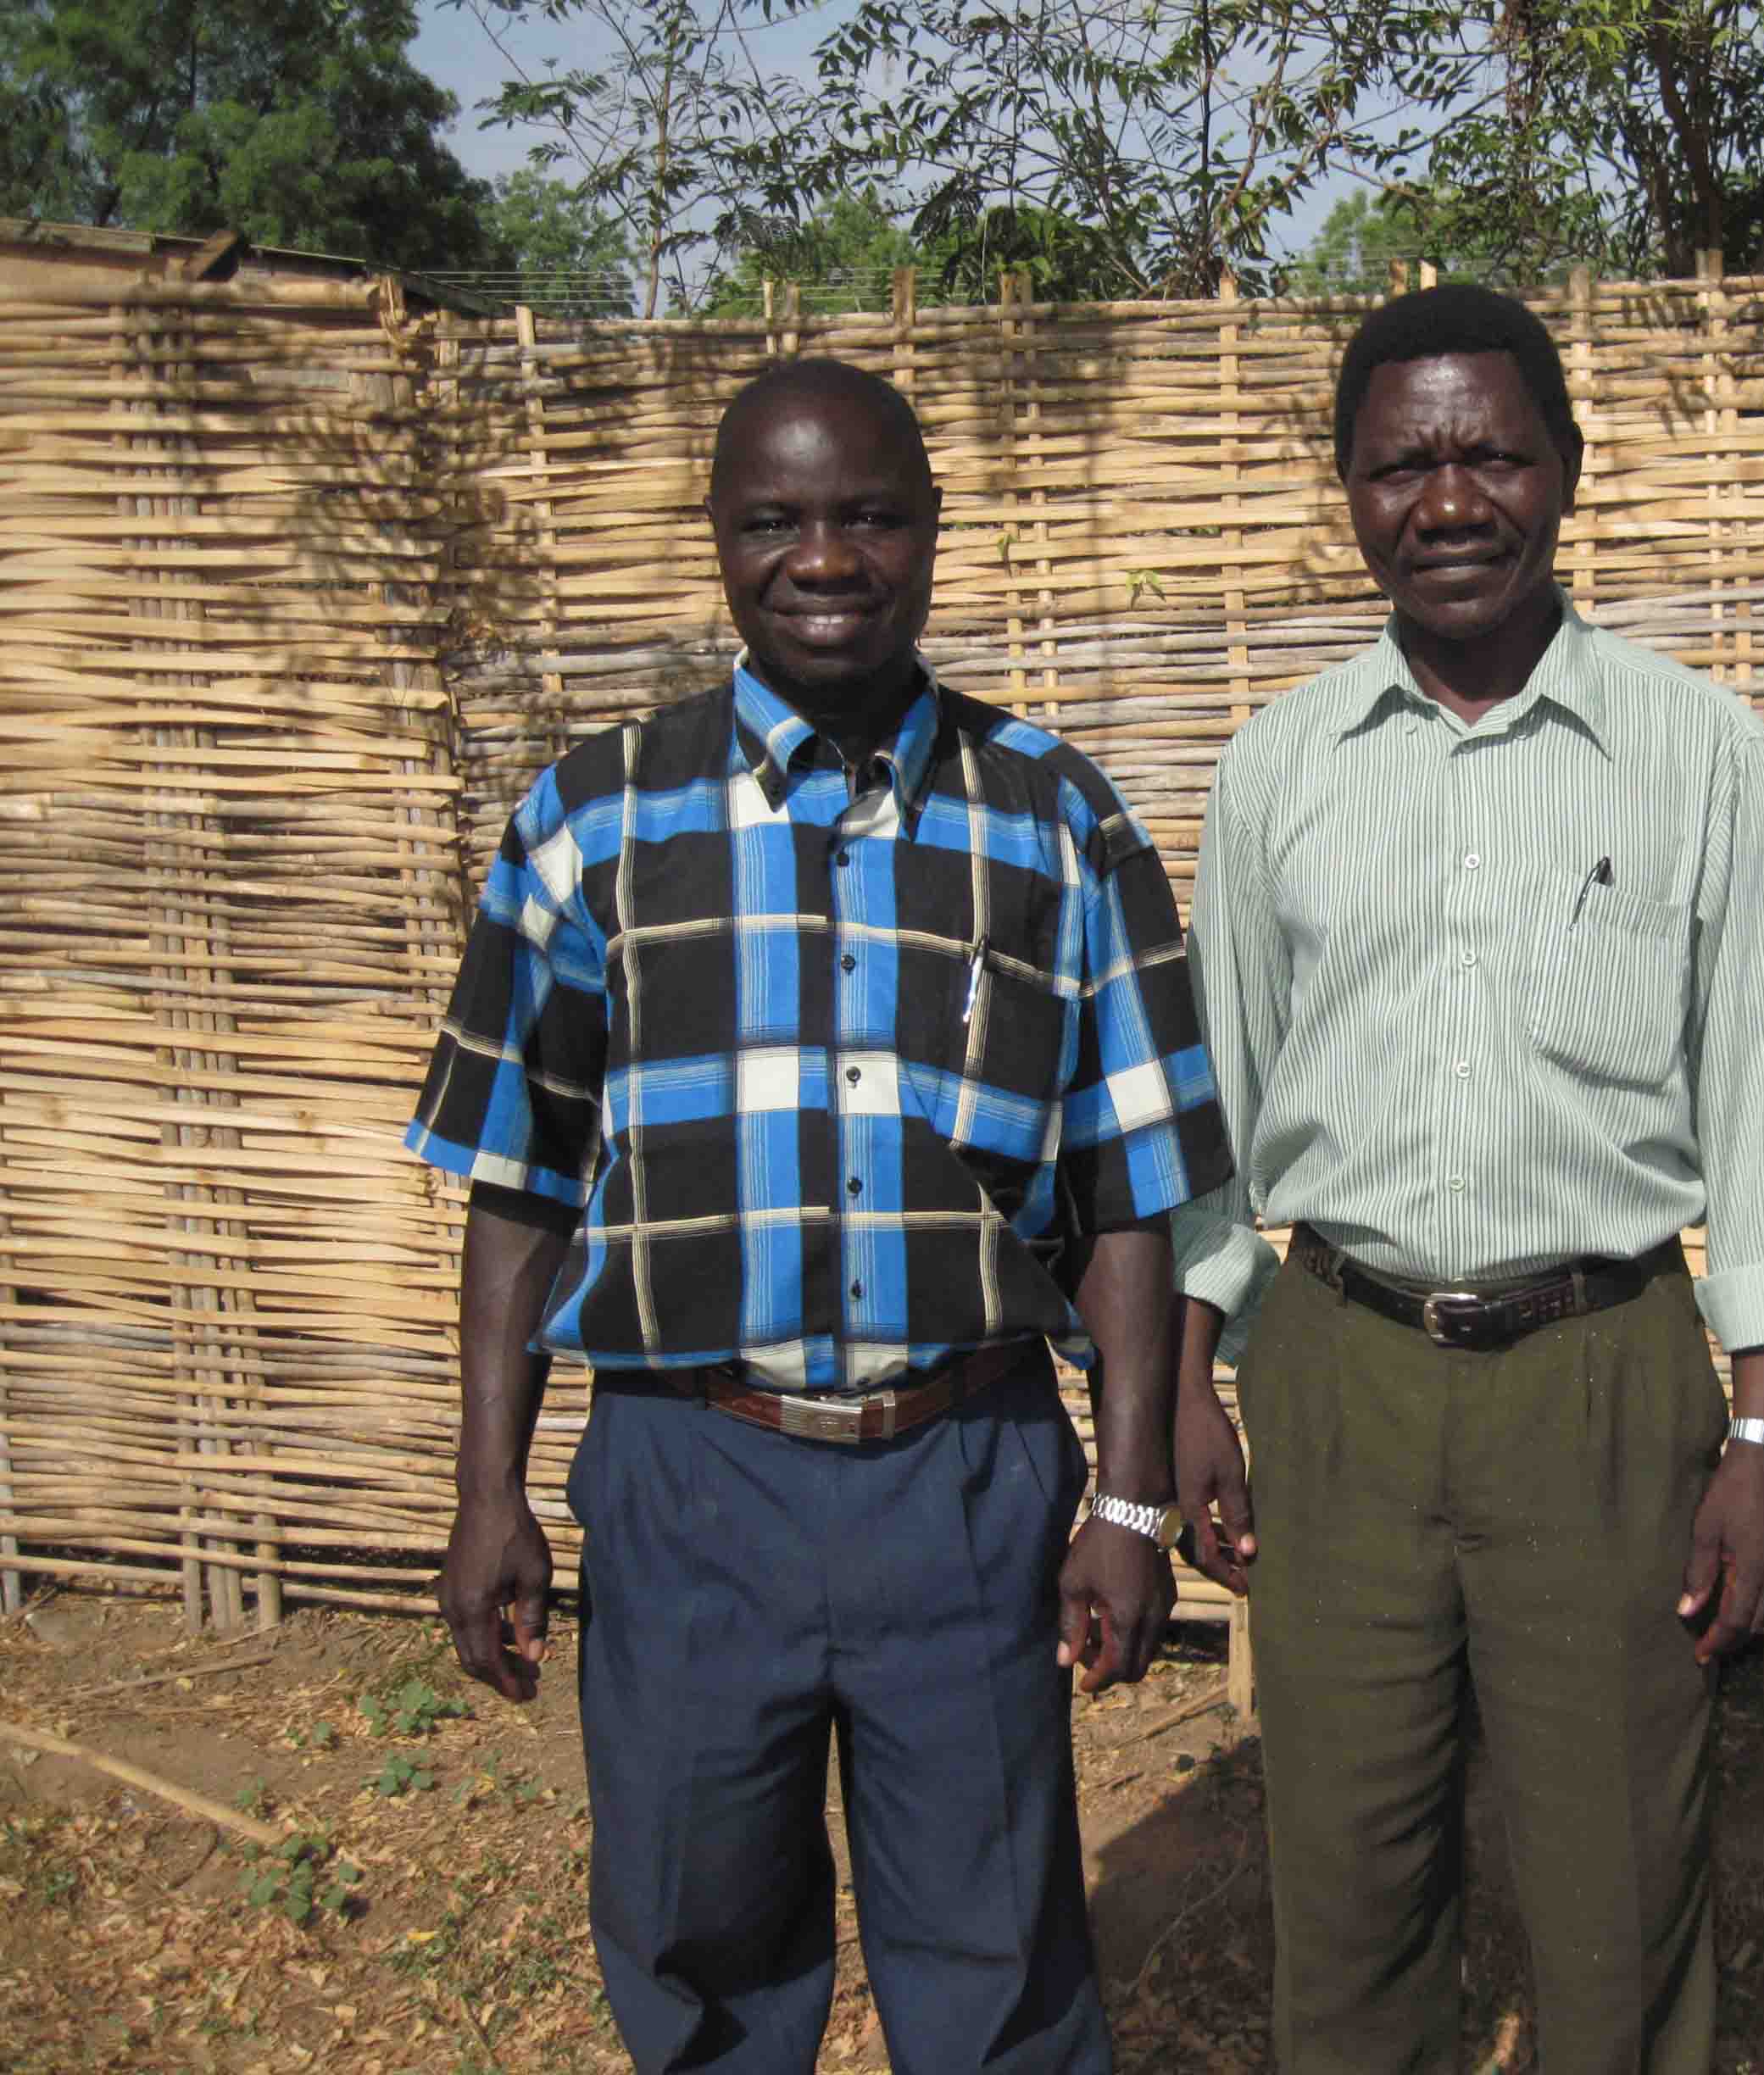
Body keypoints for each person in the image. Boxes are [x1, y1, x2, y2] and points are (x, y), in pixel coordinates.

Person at [406, 356, 1231, 2075]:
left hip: (969, 1474)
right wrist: (486, 1490)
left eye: (868, 515)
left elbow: (1130, 1197)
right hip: (689, 1481)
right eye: (776, 520)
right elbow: (519, 1180)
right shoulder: (591, 818)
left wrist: (1132, 1500)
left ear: (932, 533)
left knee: (998, 1960)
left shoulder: (1056, 821)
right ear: (720, 540)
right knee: (700, 1947)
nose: (826, 556)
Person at [1167, 283, 1764, 2075]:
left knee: (1621, 1896)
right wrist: (1188, 1396)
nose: (1449, 500)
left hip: (1602, 1378)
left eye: (1491, 456)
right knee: (1348, 1887)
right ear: (1349, 489)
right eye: (1403, 464)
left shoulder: (1699, 758)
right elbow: (1217, 1124)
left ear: (1566, 471)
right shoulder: (1277, 775)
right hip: (1341, 1380)